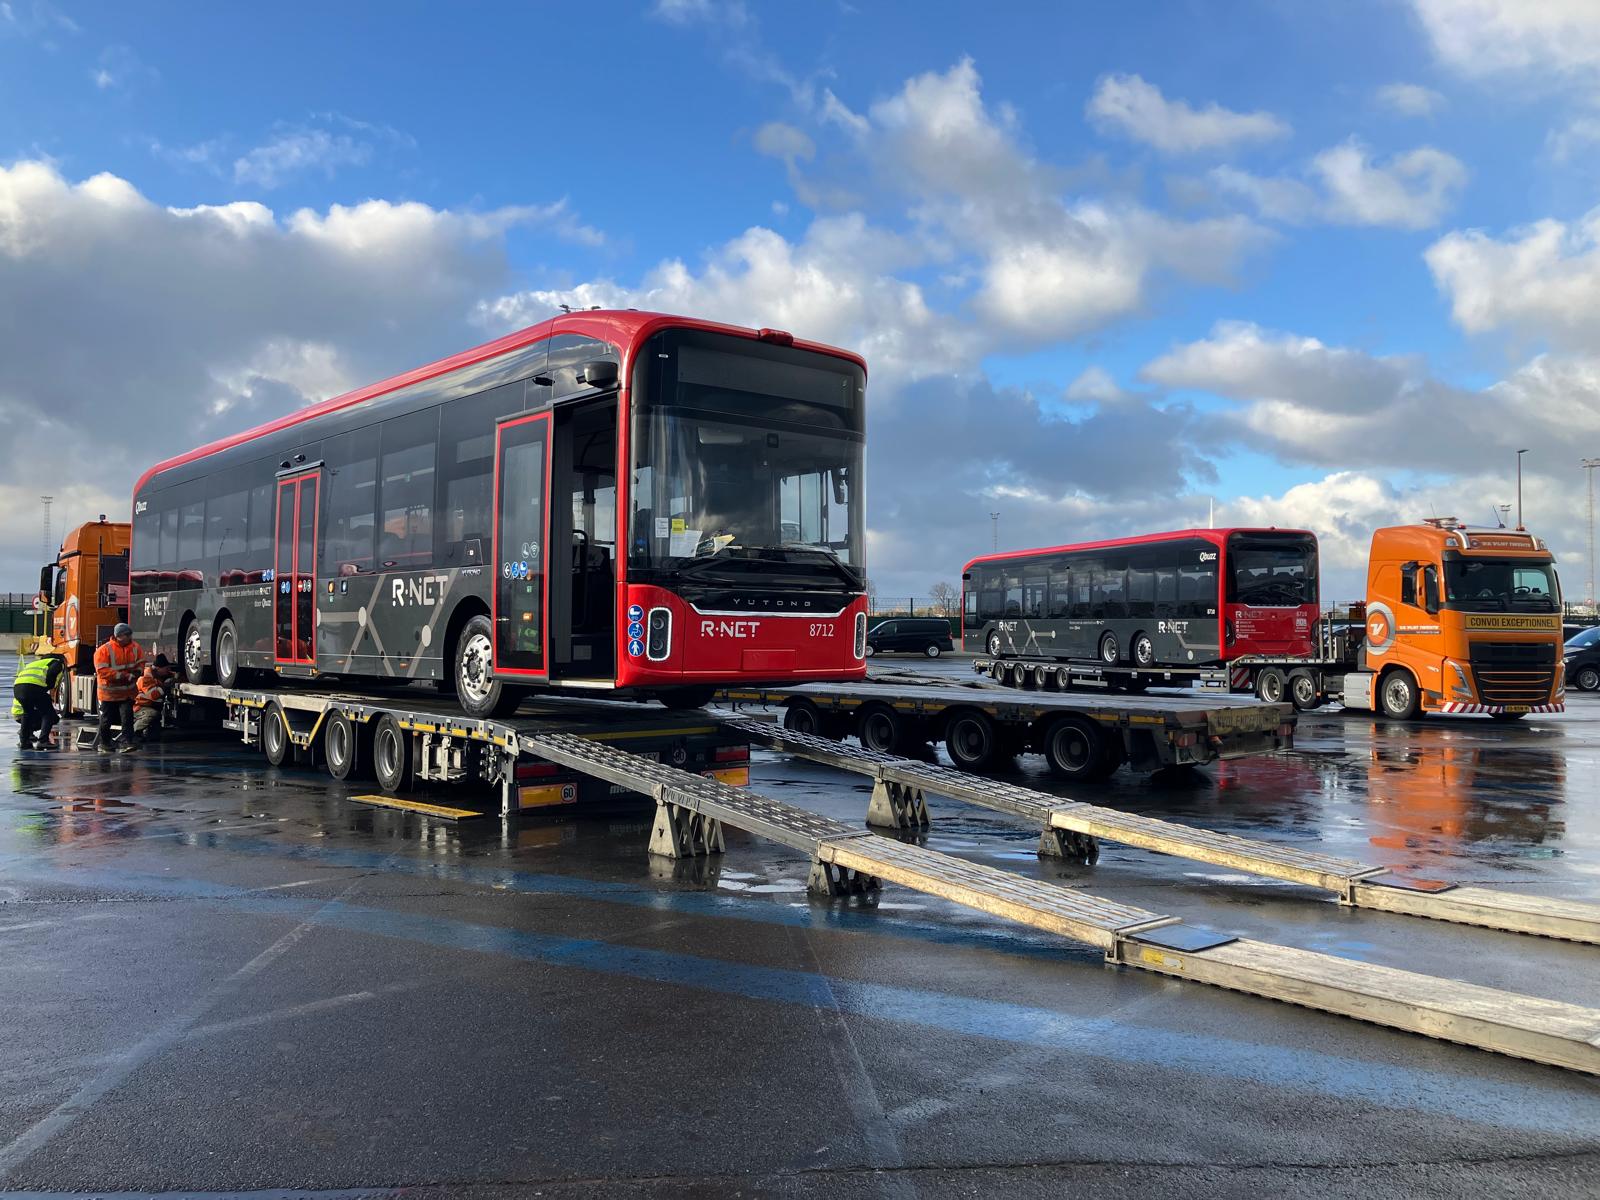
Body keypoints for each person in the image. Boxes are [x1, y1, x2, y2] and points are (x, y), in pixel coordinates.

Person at [93, 623, 146, 754]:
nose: (130, 637)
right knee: (107, 720)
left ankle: (127, 742)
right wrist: (124, 676)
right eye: (127, 635)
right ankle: (105, 743)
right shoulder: (104, 650)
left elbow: (141, 663)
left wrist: (138, 672)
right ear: (119, 636)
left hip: (127, 693)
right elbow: (102, 671)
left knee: (127, 717)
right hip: (109, 694)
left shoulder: (135, 647)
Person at [12, 653, 65, 750]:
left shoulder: (34, 664)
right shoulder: (57, 663)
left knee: (27, 713)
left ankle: (24, 742)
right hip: (34, 687)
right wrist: (49, 687)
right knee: (48, 714)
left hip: (18, 688)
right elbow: (51, 675)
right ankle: (43, 741)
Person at [131, 654, 177, 746]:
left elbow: (174, 675)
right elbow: (153, 695)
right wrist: (165, 686)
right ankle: (132, 734)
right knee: (152, 714)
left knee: (154, 736)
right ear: (158, 668)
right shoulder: (145, 677)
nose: (168, 670)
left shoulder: (158, 674)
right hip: (139, 707)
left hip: (150, 706)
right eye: (166, 668)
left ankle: (144, 733)